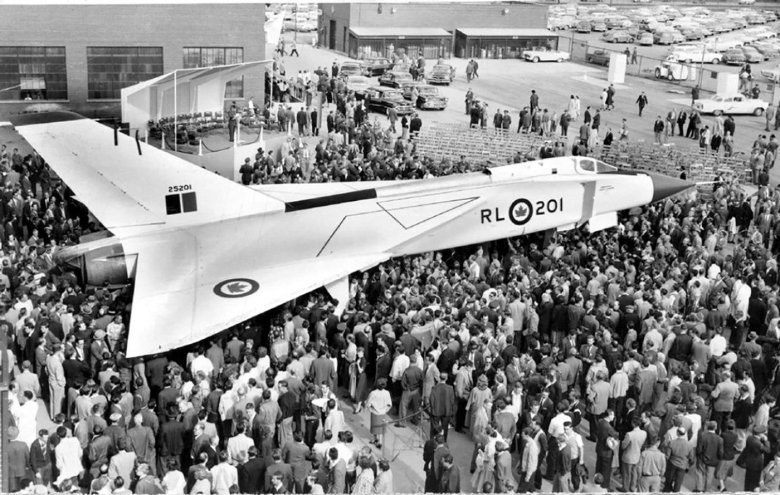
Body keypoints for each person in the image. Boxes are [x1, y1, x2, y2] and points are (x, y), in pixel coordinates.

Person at [365, 378, 392, 448]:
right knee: (381, 427)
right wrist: (386, 410)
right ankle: (380, 441)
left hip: (375, 412)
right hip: (383, 413)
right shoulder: (387, 393)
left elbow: (368, 403)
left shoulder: (373, 393)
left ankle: (374, 439)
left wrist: (370, 409)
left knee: (374, 427)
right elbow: (389, 404)